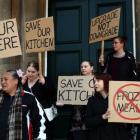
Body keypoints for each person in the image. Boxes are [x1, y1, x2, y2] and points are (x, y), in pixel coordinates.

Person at [0, 70, 46, 140]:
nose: (3, 82)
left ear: (16, 81)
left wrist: (38, 137)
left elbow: (38, 120)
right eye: (1, 80)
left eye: (6, 79)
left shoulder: (28, 97)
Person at [85, 73, 129, 140]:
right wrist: (103, 117)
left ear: (106, 81)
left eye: (98, 81)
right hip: (98, 135)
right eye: (94, 81)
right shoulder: (92, 100)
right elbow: (88, 122)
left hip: (116, 135)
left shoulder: (118, 98)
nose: (95, 84)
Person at [22, 61, 55, 140]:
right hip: (29, 114)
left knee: (43, 134)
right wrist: (21, 83)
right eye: (28, 71)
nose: (30, 74)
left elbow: (52, 94)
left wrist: (44, 84)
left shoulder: (44, 80)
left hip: (44, 114)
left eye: (33, 72)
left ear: (38, 72)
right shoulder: (24, 81)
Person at [67, 60, 95, 140]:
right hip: (77, 118)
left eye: (85, 66)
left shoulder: (97, 81)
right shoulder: (76, 80)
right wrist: (63, 101)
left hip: (92, 117)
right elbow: (69, 95)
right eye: (81, 67)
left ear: (92, 68)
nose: (83, 68)